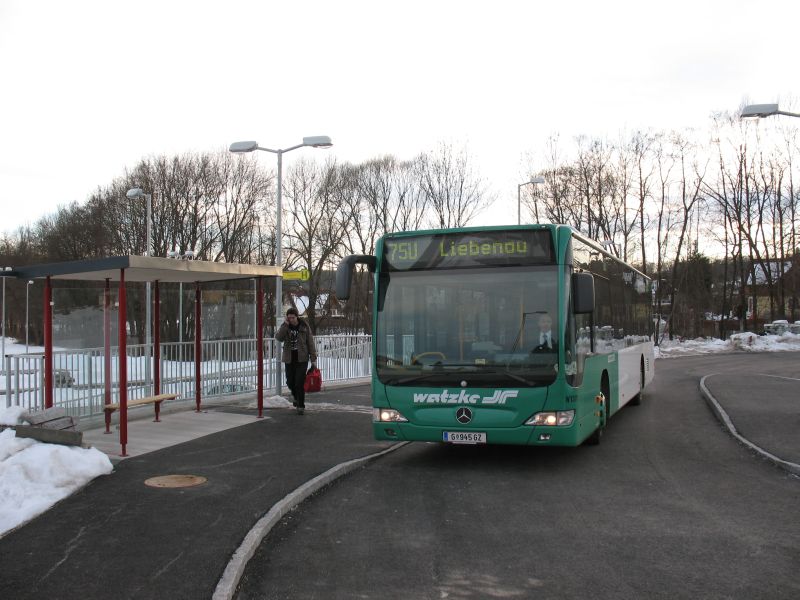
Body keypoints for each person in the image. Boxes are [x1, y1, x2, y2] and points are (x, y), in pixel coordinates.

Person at [275, 307, 317, 415]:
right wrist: (285, 325)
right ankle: (295, 396)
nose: (291, 320)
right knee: (290, 381)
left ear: (297, 317)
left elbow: (310, 342)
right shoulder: (285, 326)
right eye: (289, 318)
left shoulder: (304, 326)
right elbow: (279, 337)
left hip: (302, 359)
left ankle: (301, 405)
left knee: (299, 382)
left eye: (293, 318)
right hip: (289, 358)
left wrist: (313, 358)